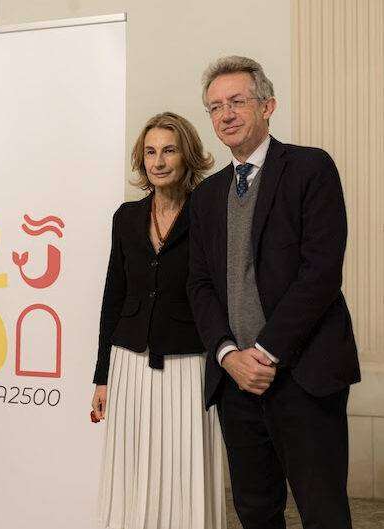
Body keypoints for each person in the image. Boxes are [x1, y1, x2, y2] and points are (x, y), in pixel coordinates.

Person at [187, 56, 360, 529]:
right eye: (215, 106)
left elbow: (321, 273)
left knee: (323, 513)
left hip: (304, 376)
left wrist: (262, 354)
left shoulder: (310, 168)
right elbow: (199, 284)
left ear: (268, 106)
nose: (226, 114)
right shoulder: (206, 196)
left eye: (237, 101)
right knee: (255, 512)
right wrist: (229, 355)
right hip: (235, 383)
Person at [92, 112, 225, 529]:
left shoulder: (210, 212)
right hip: (129, 362)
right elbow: (114, 296)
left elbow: (219, 291)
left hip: (189, 361)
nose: (159, 161)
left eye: (169, 151)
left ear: (188, 156)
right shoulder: (126, 217)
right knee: (131, 470)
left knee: (185, 470)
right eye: (150, 152)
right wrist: (102, 377)